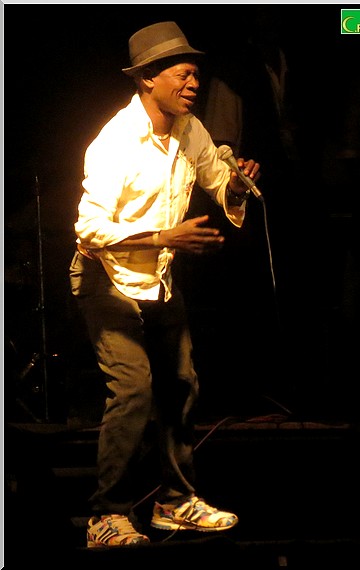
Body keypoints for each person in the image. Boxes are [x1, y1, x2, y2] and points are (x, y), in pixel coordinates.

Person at [69, 21, 260, 548]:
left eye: (196, 74)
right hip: (105, 276)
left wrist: (236, 183)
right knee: (134, 389)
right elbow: (88, 228)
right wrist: (164, 236)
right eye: (183, 74)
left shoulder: (189, 128)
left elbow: (218, 182)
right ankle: (106, 516)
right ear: (148, 78)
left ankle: (174, 503)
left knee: (180, 384)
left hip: (158, 275)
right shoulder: (115, 142)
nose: (194, 84)